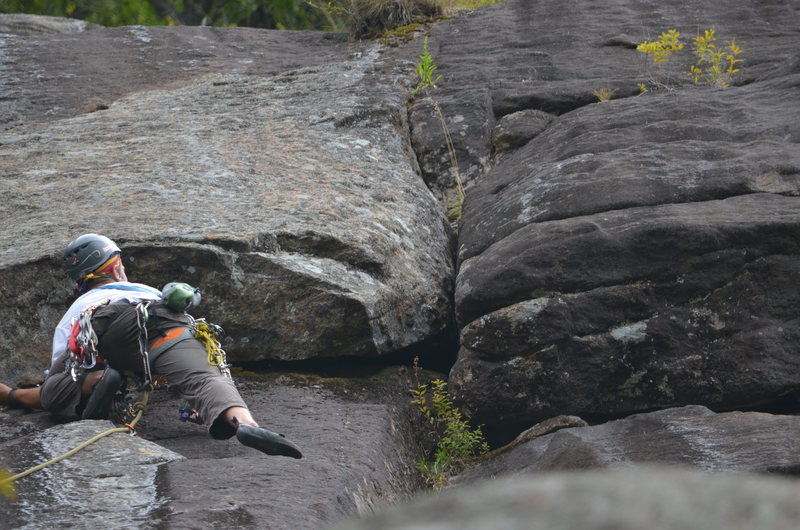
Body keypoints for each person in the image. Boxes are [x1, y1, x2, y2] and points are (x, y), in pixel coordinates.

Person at [0, 233, 302, 459]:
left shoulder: (78, 308)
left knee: (58, 385)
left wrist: (12, 395)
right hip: (167, 319)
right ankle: (243, 422)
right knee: (206, 378)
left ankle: (98, 380)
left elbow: (63, 374)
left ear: (81, 280)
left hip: (105, 324)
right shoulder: (148, 291)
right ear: (116, 266)